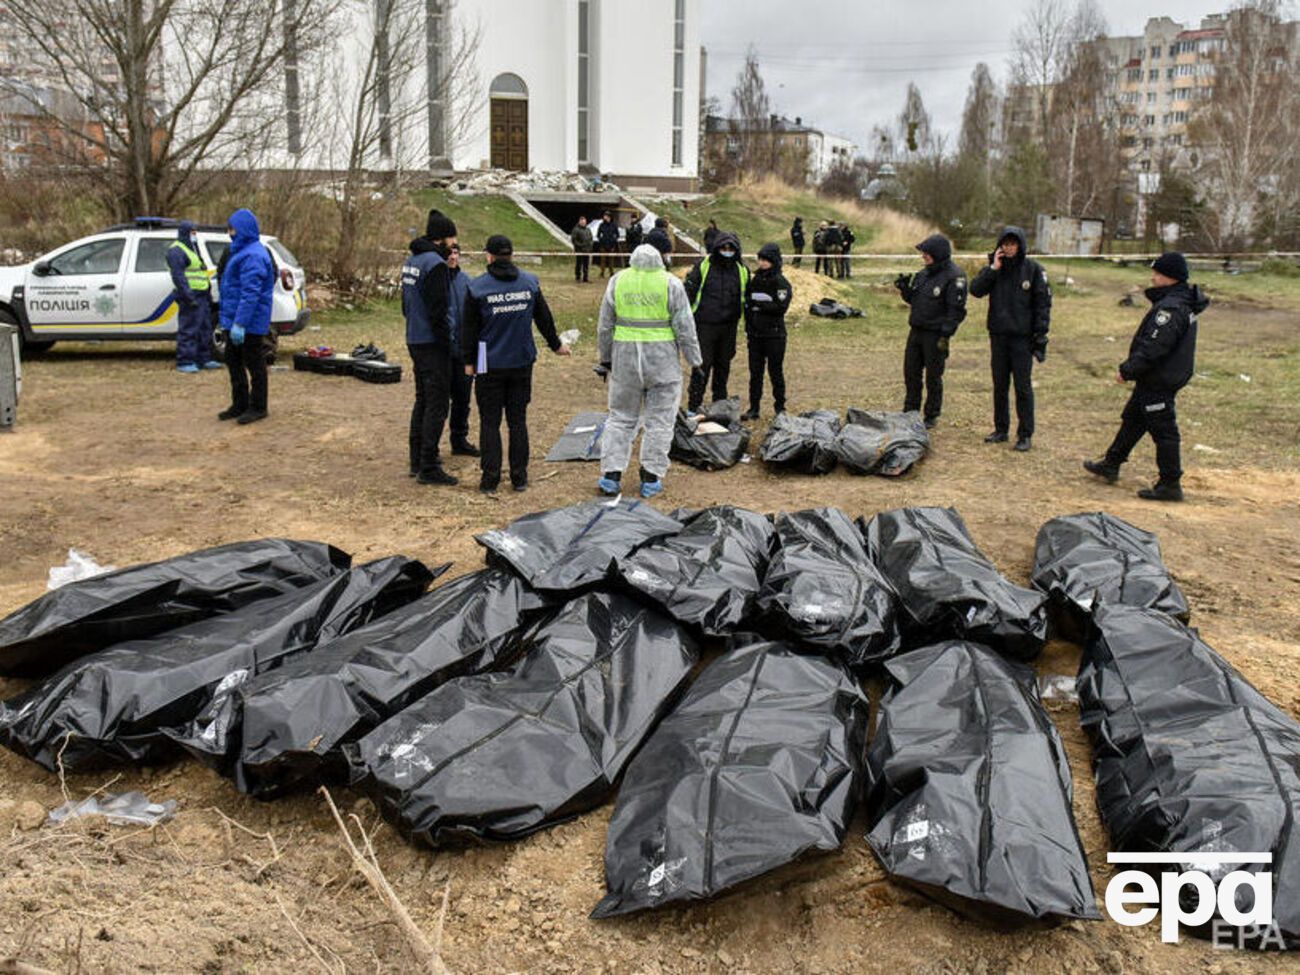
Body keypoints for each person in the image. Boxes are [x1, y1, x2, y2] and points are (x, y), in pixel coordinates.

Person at [1084, 252, 1207, 502]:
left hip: (1160, 379)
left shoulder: (1171, 308)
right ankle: (1111, 463)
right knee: (1134, 419)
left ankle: (1170, 483)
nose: (1153, 277)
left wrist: (1127, 370)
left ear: (1169, 277)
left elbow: (1154, 347)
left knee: (1164, 430)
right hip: (1155, 377)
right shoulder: (1177, 301)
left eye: (1157, 273)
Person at [461, 235, 571, 493]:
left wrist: (469, 362)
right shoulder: (529, 283)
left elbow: (469, 330)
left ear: (488, 255)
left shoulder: (477, 287)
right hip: (521, 361)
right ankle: (519, 478)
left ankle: (490, 480)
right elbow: (544, 318)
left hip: (488, 362)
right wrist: (556, 345)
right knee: (517, 420)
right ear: (511, 255)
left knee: (490, 421)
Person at [596, 243, 702, 499]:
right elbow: (685, 325)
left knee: (620, 418)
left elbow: (605, 325)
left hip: (626, 360)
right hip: (662, 362)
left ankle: (612, 474)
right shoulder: (670, 283)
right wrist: (695, 360)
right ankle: (650, 476)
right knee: (660, 422)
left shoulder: (617, 281)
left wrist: (605, 359)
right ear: (661, 260)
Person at [968, 226, 1051, 451]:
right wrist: (993, 268)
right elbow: (975, 290)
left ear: (1020, 245)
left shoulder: (1033, 270)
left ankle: (1025, 434)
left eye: (1013, 244)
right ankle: (1000, 429)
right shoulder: (996, 269)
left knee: (1023, 388)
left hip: (1022, 339)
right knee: (1000, 385)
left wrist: (1040, 336)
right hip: (998, 336)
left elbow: (1043, 306)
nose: (1009, 247)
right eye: (1005, 244)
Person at [403, 208, 460, 485]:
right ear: (442, 238)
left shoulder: (412, 261)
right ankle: (428, 465)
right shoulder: (435, 265)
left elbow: (406, 304)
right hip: (432, 343)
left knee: (422, 399)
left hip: (414, 338)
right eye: (452, 237)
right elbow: (439, 311)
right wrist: (446, 344)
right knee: (437, 404)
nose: (454, 244)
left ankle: (416, 459)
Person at [894, 234, 967, 429]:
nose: (923, 256)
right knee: (911, 373)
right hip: (916, 331)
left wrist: (946, 335)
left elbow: (956, 310)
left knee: (933, 376)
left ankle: (931, 415)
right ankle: (910, 411)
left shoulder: (954, 277)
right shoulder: (923, 274)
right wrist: (904, 290)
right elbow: (916, 301)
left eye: (927, 253)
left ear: (938, 254)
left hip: (936, 334)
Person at [218, 208, 276, 425]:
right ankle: (240, 403)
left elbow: (250, 294)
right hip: (233, 319)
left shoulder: (254, 254)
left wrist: (240, 323)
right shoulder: (239, 251)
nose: (230, 232)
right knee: (233, 360)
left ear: (242, 229)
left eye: (232, 228)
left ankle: (258, 406)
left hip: (249, 321)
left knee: (254, 363)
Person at [683, 231, 748, 413]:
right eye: (723, 248)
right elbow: (689, 292)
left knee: (723, 366)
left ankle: (719, 404)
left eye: (730, 248)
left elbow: (746, 296)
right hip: (705, 324)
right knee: (701, 366)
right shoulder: (704, 266)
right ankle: (693, 406)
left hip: (729, 326)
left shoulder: (741, 270)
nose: (727, 251)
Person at [742, 242, 793, 420]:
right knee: (755, 373)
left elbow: (780, 307)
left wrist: (759, 304)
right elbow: (747, 302)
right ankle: (754, 408)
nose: (762, 263)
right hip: (755, 335)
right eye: (761, 260)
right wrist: (750, 322)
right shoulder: (755, 279)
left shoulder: (781, 282)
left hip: (774, 335)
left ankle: (780, 407)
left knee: (775, 372)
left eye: (766, 260)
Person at [167, 219, 219, 373]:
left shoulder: (194, 248)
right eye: (192, 233)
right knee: (189, 329)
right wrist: (188, 296)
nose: (195, 235)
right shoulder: (176, 250)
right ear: (185, 233)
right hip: (190, 296)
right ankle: (185, 360)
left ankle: (204, 358)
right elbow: (179, 276)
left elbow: (201, 271)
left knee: (205, 328)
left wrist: (208, 293)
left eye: (195, 233)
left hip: (202, 295)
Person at [445, 244, 477, 458]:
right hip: (443, 350)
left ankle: (459, 439)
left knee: (462, 398)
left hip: (463, 350)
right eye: (450, 253)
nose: (453, 257)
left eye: (456, 253)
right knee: (438, 402)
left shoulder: (467, 281)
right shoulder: (437, 281)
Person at [596, 210, 620, 278]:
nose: (605, 217)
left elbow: (617, 235)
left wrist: (613, 240)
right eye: (604, 216)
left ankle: (611, 272)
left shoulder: (614, 225)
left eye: (606, 216)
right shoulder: (601, 225)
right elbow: (598, 235)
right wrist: (601, 240)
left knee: (611, 260)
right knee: (603, 260)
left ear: (609, 217)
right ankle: (602, 272)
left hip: (611, 245)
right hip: (603, 245)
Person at [571, 214, 593, 283]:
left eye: (584, 222)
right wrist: (580, 245)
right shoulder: (576, 230)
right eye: (582, 222)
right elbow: (574, 240)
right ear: (580, 222)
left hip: (587, 250)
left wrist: (590, 245)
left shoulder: (588, 230)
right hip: (579, 250)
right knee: (579, 264)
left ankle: (585, 278)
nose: (583, 223)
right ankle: (578, 277)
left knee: (586, 265)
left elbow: (591, 238)